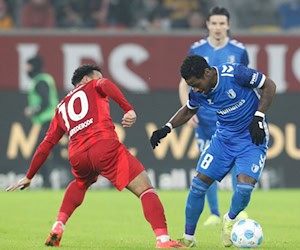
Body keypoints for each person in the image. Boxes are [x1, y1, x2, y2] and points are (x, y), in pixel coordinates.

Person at [7, 65, 185, 249]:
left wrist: (29, 176)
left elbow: (46, 145)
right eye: (96, 77)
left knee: (81, 183)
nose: (99, 81)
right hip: (103, 146)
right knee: (146, 190)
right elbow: (105, 83)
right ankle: (163, 241)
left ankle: (58, 225)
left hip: (78, 155)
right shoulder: (93, 85)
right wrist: (128, 109)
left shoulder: (60, 108)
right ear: (85, 79)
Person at [151, 55, 276, 247]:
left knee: (244, 187)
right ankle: (188, 238)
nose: (196, 89)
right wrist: (166, 128)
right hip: (223, 140)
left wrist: (258, 116)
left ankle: (230, 219)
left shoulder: (236, 73)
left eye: (197, 83)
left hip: (251, 138)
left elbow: (269, 85)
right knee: (198, 184)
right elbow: (188, 109)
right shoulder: (199, 92)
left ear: (208, 72)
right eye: (191, 86)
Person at [178, 6, 250, 227]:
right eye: (214, 23)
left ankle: (237, 212)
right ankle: (215, 213)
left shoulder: (239, 50)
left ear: (228, 25)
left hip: (231, 118)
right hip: (207, 119)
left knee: (239, 161)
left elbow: (244, 82)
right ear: (207, 25)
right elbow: (184, 83)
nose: (218, 27)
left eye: (222, 23)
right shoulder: (197, 48)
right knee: (207, 165)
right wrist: (188, 111)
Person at [24, 55, 60, 188]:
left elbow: (45, 102)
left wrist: (33, 110)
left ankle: (47, 182)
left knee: (41, 153)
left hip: (48, 121)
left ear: (33, 66)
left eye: (27, 66)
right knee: (55, 153)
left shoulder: (40, 81)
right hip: (53, 121)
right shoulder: (46, 79)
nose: (25, 69)